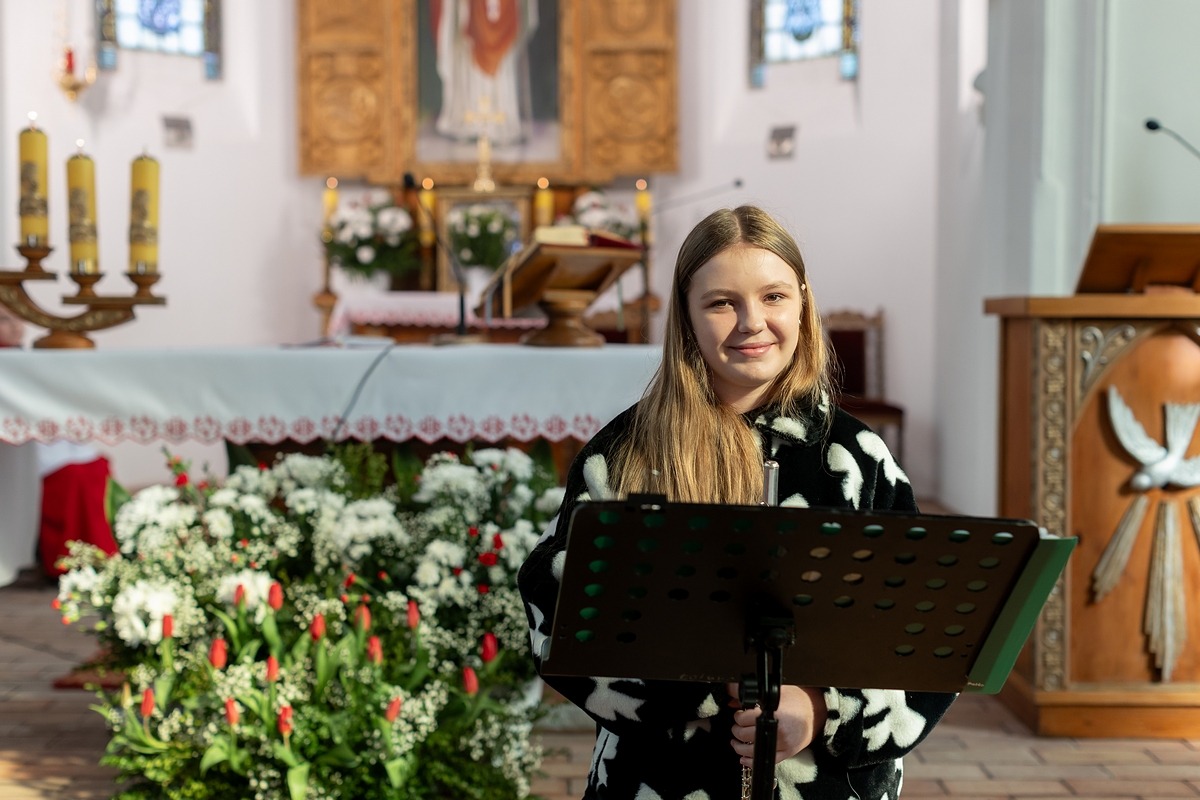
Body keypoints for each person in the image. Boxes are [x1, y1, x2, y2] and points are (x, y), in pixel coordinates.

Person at [518, 206, 956, 800]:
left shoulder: (858, 457)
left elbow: (923, 634)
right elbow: (555, 609)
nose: (753, 322)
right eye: (722, 303)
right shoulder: (624, 455)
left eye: (773, 296)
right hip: (663, 779)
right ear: (686, 316)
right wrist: (702, 687)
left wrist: (820, 711)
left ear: (802, 302)